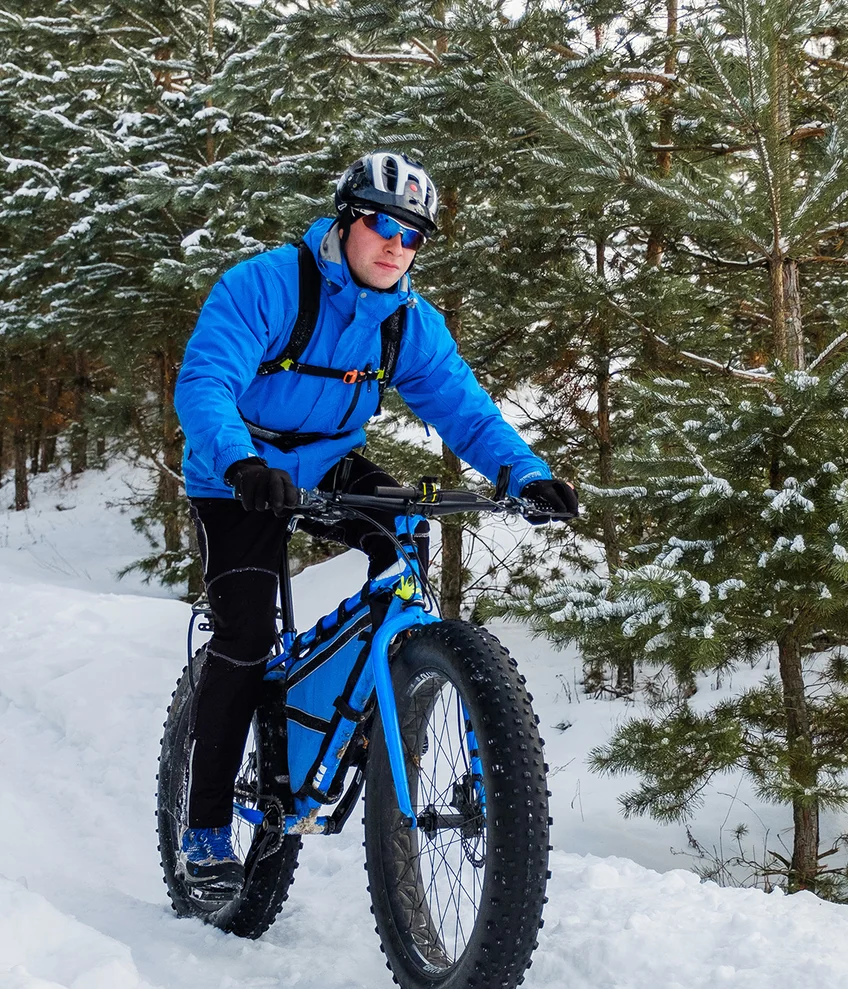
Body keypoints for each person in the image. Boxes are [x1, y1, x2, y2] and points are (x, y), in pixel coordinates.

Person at [173, 150, 578, 889]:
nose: (397, 245)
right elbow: (206, 382)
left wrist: (527, 473)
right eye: (383, 225)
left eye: (414, 235)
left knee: (406, 535)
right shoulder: (264, 286)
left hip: (329, 462)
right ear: (345, 220)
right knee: (245, 636)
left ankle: (393, 688)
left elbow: (464, 408)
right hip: (238, 473)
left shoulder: (406, 321)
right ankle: (203, 832)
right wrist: (240, 461)